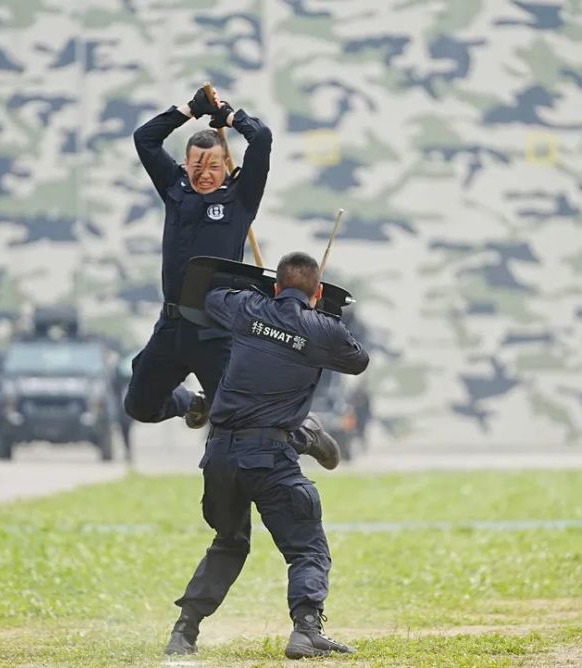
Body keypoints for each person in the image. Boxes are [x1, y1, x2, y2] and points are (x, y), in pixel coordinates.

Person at [164, 252, 369, 660]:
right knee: (307, 549)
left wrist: (261, 293)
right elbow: (358, 360)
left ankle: (183, 633)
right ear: (319, 290)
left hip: (220, 453)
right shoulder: (323, 329)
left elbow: (209, 296)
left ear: (276, 287)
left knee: (228, 542)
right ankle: (306, 631)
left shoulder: (245, 307)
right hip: (269, 456)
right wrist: (323, 316)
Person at [123, 85, 271, 433]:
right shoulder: (175, 189)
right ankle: (192, 403)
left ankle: (298, 431)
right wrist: (189, 109)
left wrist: (233, 118)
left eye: (213, 166)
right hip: (172, 327)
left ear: (224, 166)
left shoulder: (242, 198)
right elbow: (145, 138)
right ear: (185, 164)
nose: (204, 173)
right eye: (197, 166)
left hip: (214, 330)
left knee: (238, 422)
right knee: (139, 406)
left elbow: (262, 138)